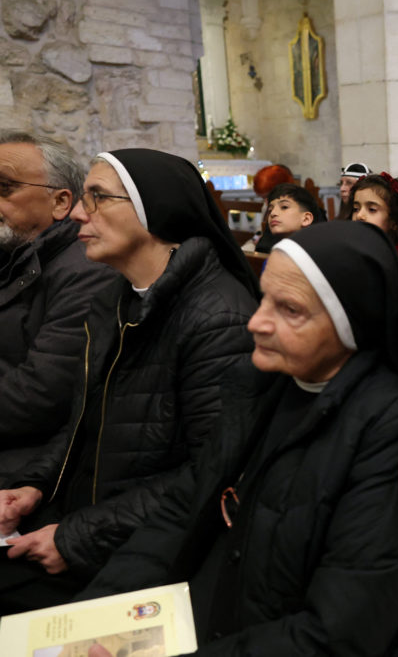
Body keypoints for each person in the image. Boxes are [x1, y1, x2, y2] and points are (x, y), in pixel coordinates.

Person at [77, 222, 398, 655]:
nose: (257, 321)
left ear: (351, 324)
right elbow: (181, 513)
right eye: (264, 297)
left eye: (290, 310)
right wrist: (95, 617)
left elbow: (338, 631)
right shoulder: (261, 381)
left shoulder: (390, 427)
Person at [0, 149, 260, 612]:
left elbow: (209, 474)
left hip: (147, 553)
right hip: (85, 520)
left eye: (98, 197)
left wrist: (78, 537)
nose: (79, 212)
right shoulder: (116, 296)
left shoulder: (218, 317)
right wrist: (36, 485)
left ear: (153, 210)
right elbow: (85, 420)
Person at [0, 131, 117, 482]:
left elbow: (41, 395)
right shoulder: (12, 254)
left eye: (5, 188)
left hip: (33, 462)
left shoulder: (86, 271)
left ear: (61, 203)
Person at [347, 171, 398, 292]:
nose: (359, 215)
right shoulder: (351, 252)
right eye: (356, 209)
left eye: (372, 209)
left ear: (394, 221)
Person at [249, 164, 296, 253]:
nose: (266, 202)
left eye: (268, 196)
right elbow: (260, 231)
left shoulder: (294, 208)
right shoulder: (266, 206)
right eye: (263, 198)